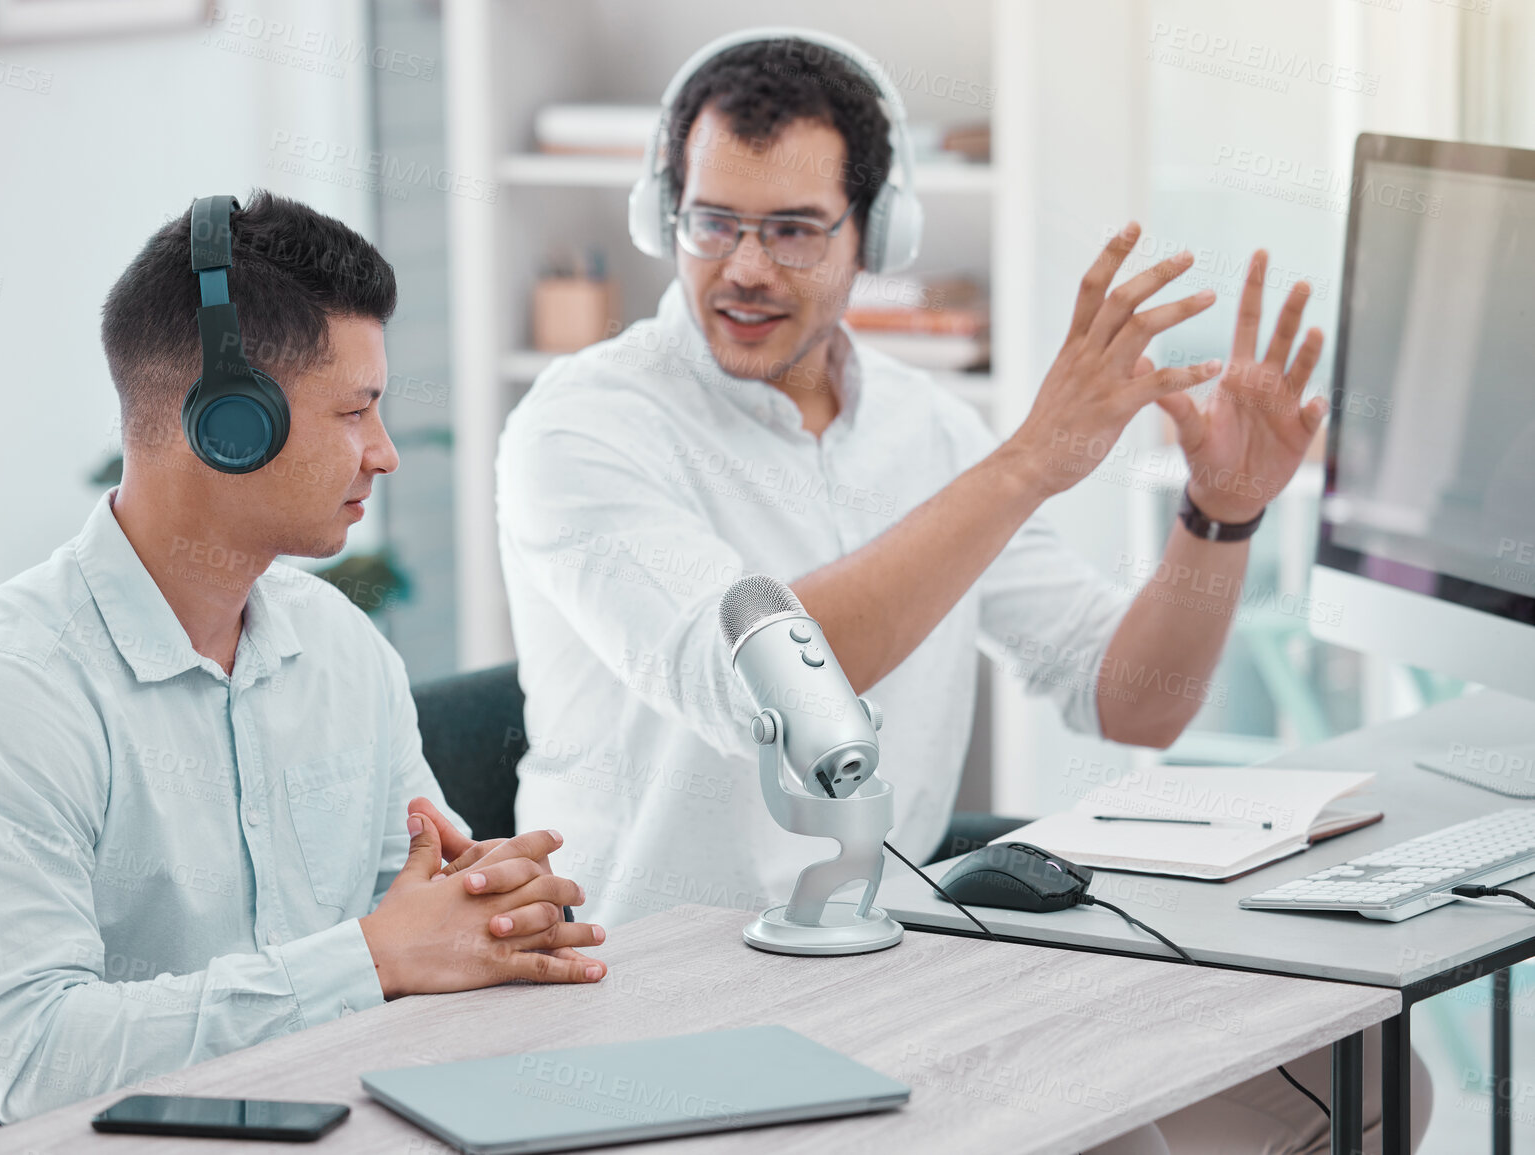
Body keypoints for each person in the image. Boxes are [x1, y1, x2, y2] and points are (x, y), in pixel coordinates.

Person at [494, 33, 1428, 1154]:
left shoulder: (926, 427)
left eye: (792, 230)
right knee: (1113, 1140)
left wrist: (1218, 515)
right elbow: (769, 695)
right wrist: (1030, 459)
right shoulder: (582, 424)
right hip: (655, 1007)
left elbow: (1128, 696)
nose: (742, 266)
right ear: (667, 216)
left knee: (1367, 1077)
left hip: (881, 963)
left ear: (876, 236)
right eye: (712, 222)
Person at [0, 192, 605, 1124]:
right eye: (354, 410)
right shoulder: (6, 691)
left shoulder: (340, 649)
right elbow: (34, 1061)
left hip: (306, 1111)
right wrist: (373, 957)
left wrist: (490, 913)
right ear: (227, 422)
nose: (383, 454)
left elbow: (415, 913)